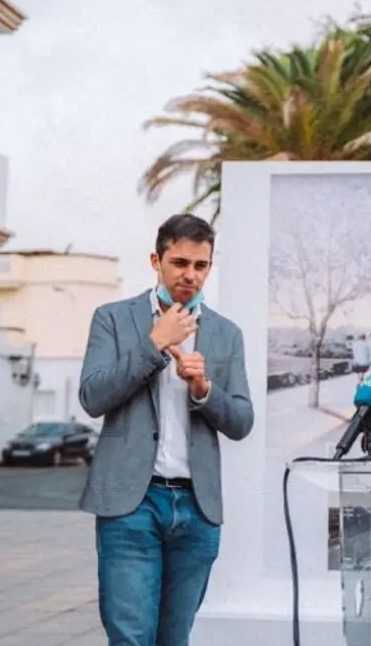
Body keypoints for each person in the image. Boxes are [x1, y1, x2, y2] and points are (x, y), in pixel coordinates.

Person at [77, 214, 254, 646]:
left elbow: (241, 421)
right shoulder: (113, 319)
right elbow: (92, 396)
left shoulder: (226, 333)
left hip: (196, 507)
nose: (190, 274)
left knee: (175, 638)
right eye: (179, 262)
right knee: (130, 637)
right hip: (131, 504)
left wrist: (204, 390)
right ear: (156, 261)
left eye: (200, 265)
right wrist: (154, 343)